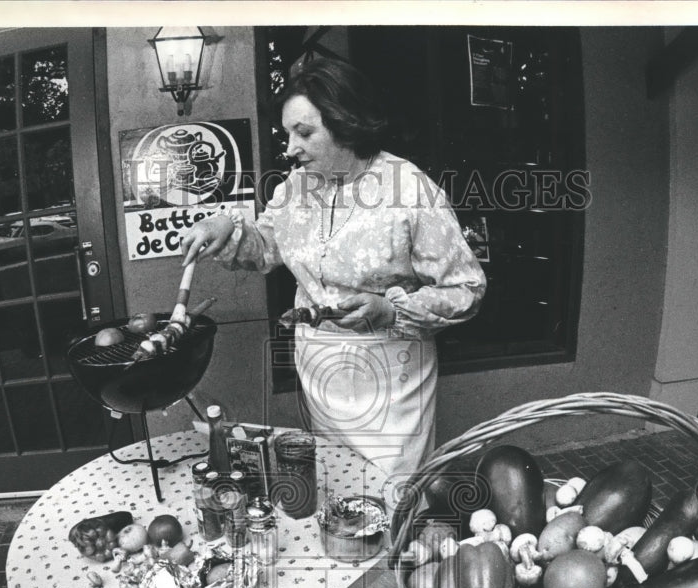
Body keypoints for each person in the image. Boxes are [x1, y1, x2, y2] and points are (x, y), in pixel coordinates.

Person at [179, 57, 485, 508]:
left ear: (346, 123)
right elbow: (266, 247)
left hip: (392, 380)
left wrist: (391, 310)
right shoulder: (296, 187)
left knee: (390, 497)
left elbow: (466, 289)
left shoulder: (410, 190)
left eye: (304, 133)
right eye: (288, 134)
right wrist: (225, 227)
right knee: (338, 491)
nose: (291, 148)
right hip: (320, 372)